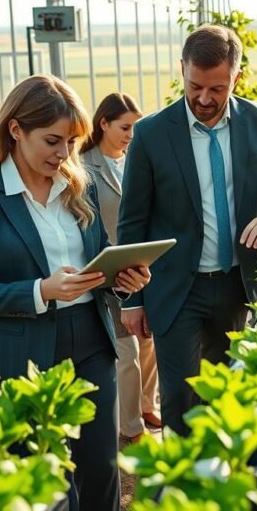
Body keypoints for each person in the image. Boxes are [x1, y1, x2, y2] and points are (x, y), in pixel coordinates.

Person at [0, 75, 150, 511]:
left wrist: (120, 279)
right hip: (22, 356)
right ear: (16, 129)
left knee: (100, 469)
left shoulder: (80, 187)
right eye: (53, 141)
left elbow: (95, 266)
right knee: (45, 482)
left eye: (73, 143)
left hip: (91, 343)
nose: (64, 154)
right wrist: (40, 290)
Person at [118, 24, 257, 435]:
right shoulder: (152, 134)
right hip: (175, 289)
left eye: (217, 89)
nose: (204, 99)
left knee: (229, 394)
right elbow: (133, 222)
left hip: (237, 286)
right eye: (195, 86)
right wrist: (132, 299)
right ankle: (184, 489)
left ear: (236, 78)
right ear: (183, 70)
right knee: (181, 398)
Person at [80, 92, 162, 442]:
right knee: (125, 350)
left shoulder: (136, 160)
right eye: (125, 127)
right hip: (107, 270)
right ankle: (130, 425)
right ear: (103, 124)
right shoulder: (84, 166)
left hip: (141, 266)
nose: (132, 134)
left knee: (148, 341)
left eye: (135, 127)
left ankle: (147, 403)